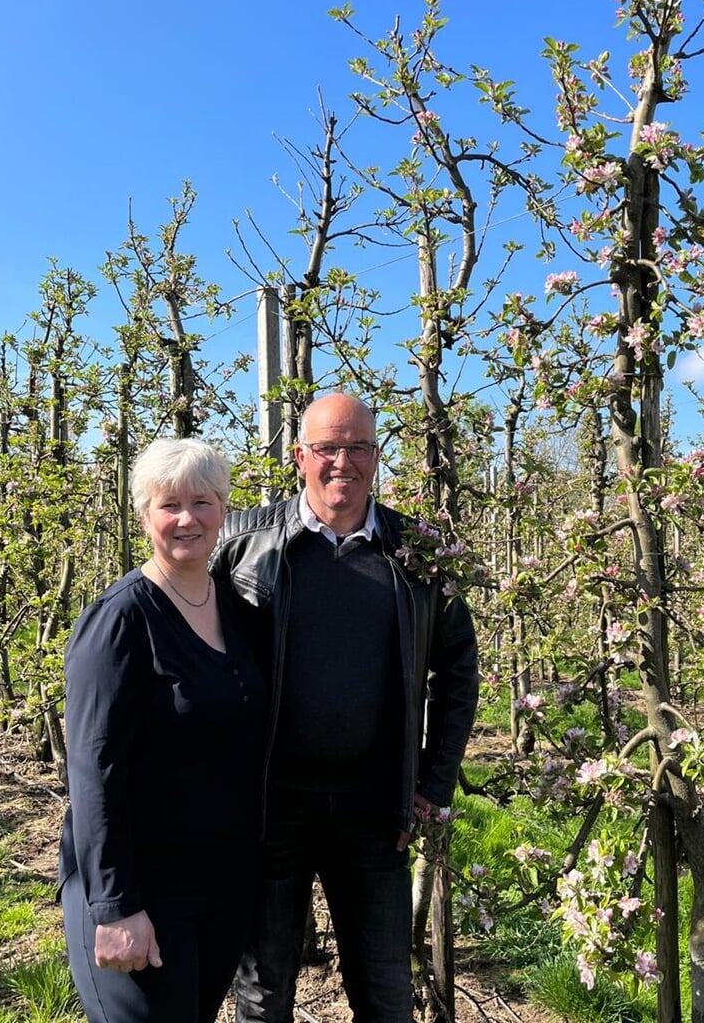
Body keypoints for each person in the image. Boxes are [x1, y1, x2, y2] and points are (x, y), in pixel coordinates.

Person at [214, 392, 481, 1022]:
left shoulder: (417, 554)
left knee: (385, 993)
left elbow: (458, 671)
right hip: (270, 805)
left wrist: (433, 784)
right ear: (300, 456)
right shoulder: (241, 543)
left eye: (357, 446)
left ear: (376, 455)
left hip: (372, 809)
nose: (343, 462)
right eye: (328, 448)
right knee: (262, 989)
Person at [57, 437, 266, 1023]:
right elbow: (94, 770)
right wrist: (116, 906)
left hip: (220, 886)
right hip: (140, 886)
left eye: (201, 501)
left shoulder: (239, 612)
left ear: (223, 509)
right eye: (167, 504)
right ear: (144, 514)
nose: (186, 519)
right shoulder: (120, 619)